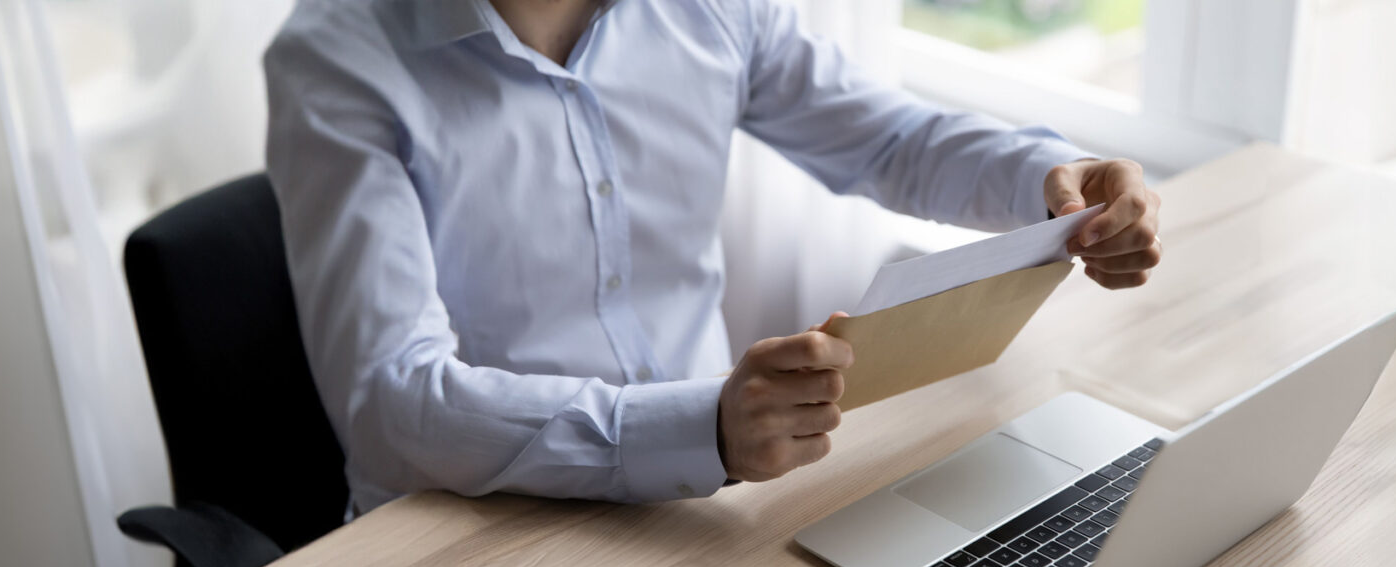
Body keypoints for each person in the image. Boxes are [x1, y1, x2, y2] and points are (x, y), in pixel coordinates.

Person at [266, 0, 1164, 513]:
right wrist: (702, 430)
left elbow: (886, 141)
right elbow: (393, 400)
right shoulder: (337, 62)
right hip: (467, 529)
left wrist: (1057, 180)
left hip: (706, 494)